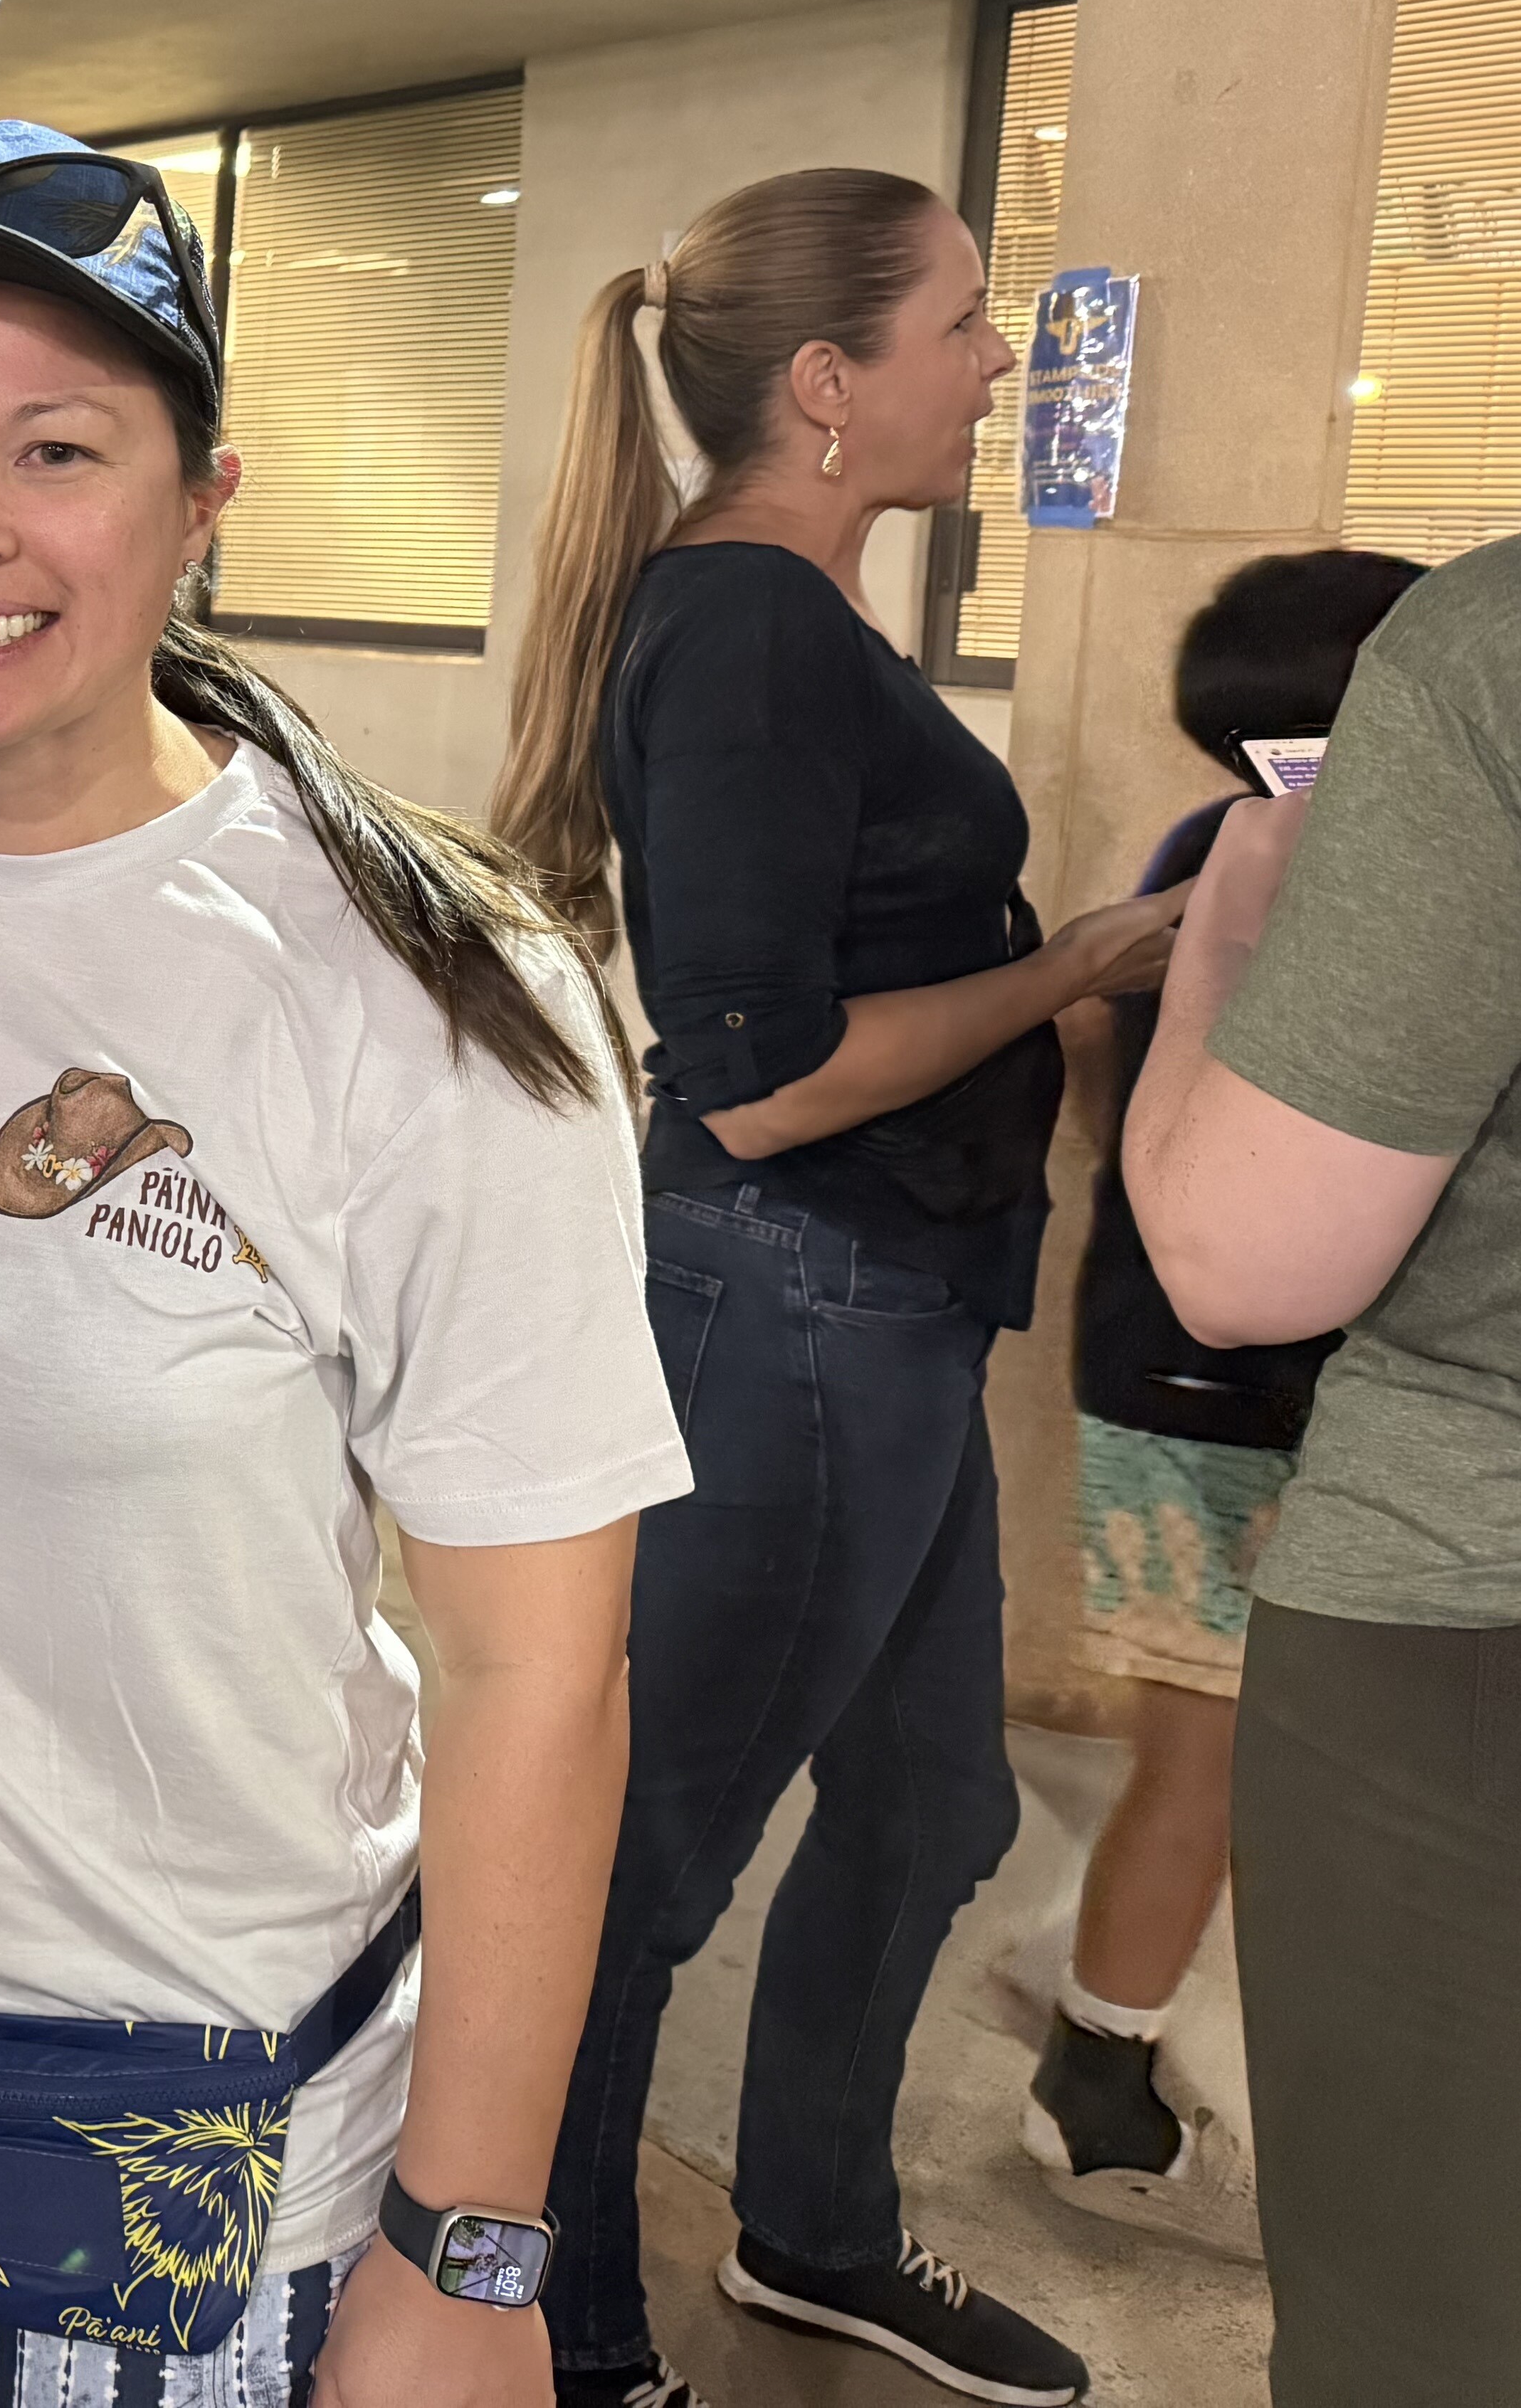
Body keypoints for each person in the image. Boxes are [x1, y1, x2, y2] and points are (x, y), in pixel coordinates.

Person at [0, 122, 690, 2408]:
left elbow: (536, 1680)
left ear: (202, 500)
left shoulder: (428, 990)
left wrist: (468, 2249)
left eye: (55, 449)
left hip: (184, 2107)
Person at [490, 168, 1186, 2408]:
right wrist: (1061, 964)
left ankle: (798, 2229)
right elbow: (761, 1079)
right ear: (823, 383)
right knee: (647, 1868)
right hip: (785, 1309)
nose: (999, 364)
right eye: (963, 323)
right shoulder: (745, 628)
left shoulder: (791, 614)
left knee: (930, 1807)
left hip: (882, 1308)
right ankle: (573, 2335)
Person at [1120, 532, 1521, 2408]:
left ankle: (1098, 2049)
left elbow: (1241, 1242)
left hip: (1448, 1593)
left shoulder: (1486, 665)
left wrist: (1219, 943)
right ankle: (1102, 2051)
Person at [1026, 549, 1419, 2249]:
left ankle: (1084, 1957)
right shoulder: (1326, 870)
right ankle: (1092, 2092)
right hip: (1214, 1399)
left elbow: (1109, 1058)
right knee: (1216, 1760)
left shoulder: (1213, 846)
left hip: (1187, 1367)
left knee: (1221, 1760)